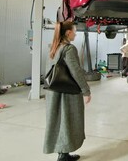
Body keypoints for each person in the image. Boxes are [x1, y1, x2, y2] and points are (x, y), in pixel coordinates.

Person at [44, 21, 91, 161]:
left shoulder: (54, 46)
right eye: (74, 31)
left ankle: (63, 153)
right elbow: (76, 72)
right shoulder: (69, 49)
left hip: (53, 91)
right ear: (68, 32)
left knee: (58, 120)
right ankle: (63, 155)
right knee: (68, 120)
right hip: (66, 92)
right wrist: (85, 91)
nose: (75, 34)